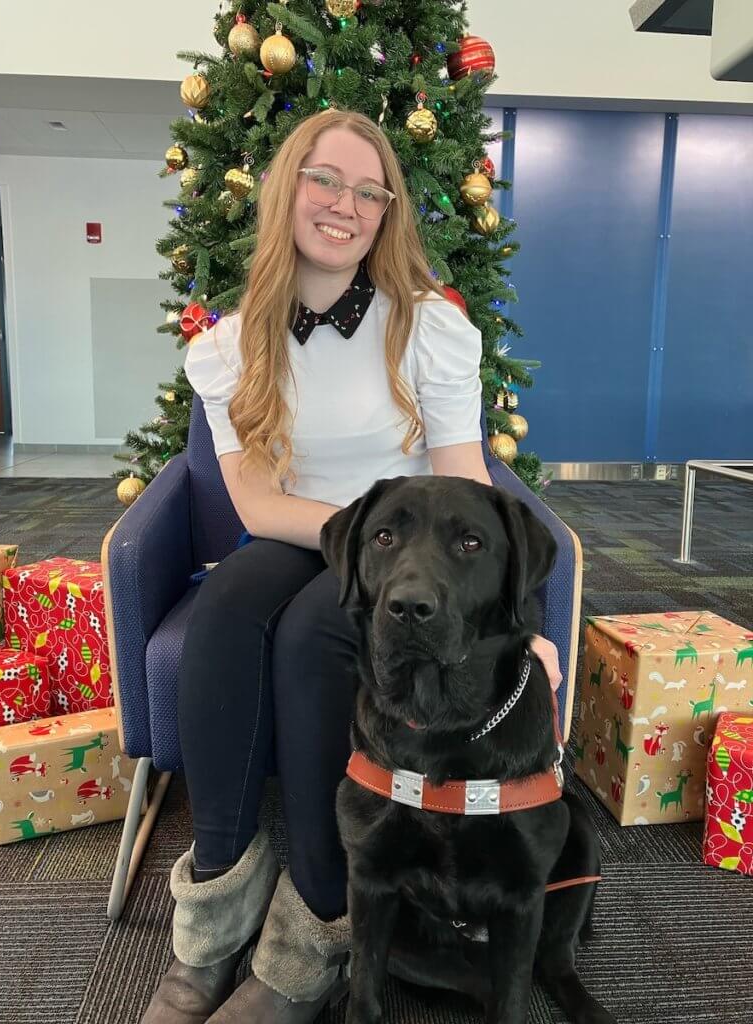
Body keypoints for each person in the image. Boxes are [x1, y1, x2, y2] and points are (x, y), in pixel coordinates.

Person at [141, 107, 562, 1024]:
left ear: (387, 212)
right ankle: (214, 912)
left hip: (401, 553)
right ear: (288, 189)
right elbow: (255, 506)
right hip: (305, 534)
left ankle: (317, 925)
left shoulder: (431, 330)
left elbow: (465, 481)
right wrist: (354, 539)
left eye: (370, 191)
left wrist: (456, 587)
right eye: (326, 180)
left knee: (308, 639)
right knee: (222, 618)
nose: (346, 204)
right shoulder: (228, 341)